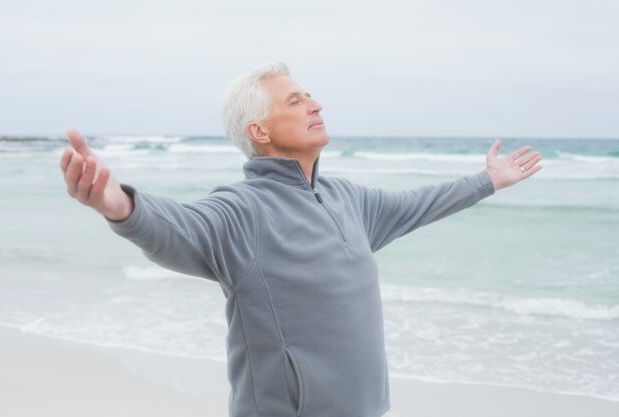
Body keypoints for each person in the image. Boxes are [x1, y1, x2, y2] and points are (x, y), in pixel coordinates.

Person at [60, 62, 542, 417]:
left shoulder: (347, 199)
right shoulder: (243, 210)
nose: (316, 104)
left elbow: (418, 203)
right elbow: (180, 226)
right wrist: (119, 203)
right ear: (260, 131)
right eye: (295, 101)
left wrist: (487, 181)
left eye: (309, 96)